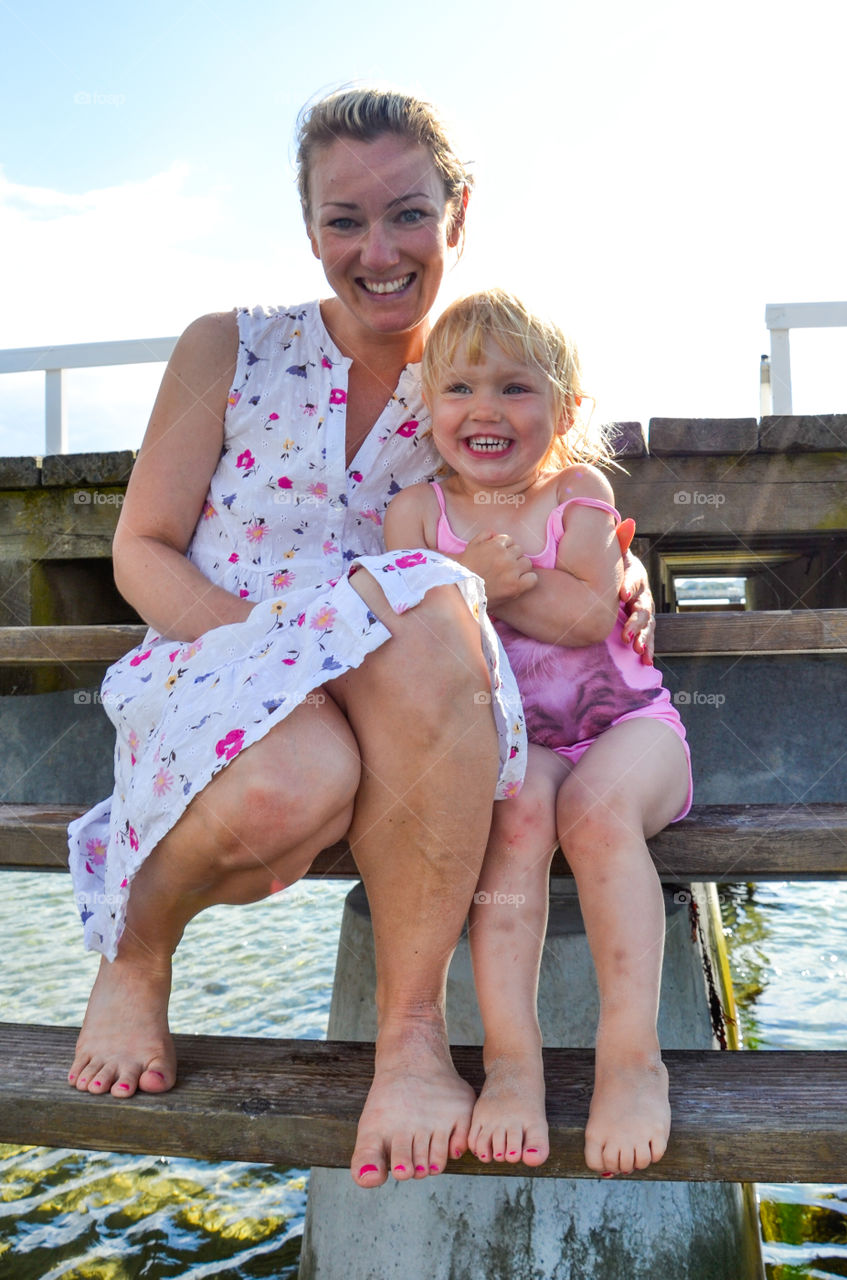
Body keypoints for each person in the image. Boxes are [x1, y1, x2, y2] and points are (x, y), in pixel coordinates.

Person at [66, 89, 654, 1190]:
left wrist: (619, 569)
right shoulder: (228, 347)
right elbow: (141, 548)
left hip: (410, 685)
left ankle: (413, 1042)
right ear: (309, 228)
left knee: (429, 606)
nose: (377, 251)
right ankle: (136, 949)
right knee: (297, 779)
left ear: (457, 213)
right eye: (345, 220)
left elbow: (550, 494)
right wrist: (269, 651)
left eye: (407, 215)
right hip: (220, 655)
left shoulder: (479, 373)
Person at [384, 289, 692, 1178]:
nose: (485, 409)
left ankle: (630, 1057)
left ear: (563, 409)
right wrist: (463, 577)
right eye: (459, 389)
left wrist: (490, 582)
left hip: (628, 728)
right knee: (516, 821)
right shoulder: (414, 516)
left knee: (594, 815)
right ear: (428, 408)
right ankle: (510, 1063)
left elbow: (587, 611)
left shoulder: (576, 492)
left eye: (515, 388)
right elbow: (412, 645)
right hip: (521, 747)